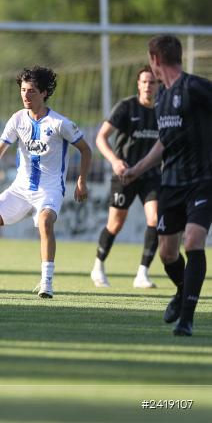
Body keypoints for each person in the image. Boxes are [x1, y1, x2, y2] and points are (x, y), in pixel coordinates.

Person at [0, 66, 91, 298]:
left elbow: (86, 150)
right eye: (23, 90)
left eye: (31, 91)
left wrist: (82, 181)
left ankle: (47, 283)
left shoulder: (59, 123)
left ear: (44, 93)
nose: (25, 95)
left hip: (49, 189)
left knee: (45, 223)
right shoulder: (17, 119)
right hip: (20, 188)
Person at [123, 35, 212, 337]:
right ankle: (181, 290)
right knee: (167, 254)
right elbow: (164, 141)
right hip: (170, 184)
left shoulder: (196, 88)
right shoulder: (161, 98)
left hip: (203, 181)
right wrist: (136, 169)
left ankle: (186, 319)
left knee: (193, 241)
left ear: (156, 60)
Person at [91, 66, 160, 289]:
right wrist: (115, 161)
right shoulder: (126, 107)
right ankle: (98, 266)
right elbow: (101, 138)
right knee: (116, 223)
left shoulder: (164, 110)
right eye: (145, 82)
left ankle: (142, 273)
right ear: (138, 84)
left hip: (151, 175)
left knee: (155, 219)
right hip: (125, 174)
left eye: (153, 82)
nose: (148, 86)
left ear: (159, 85)